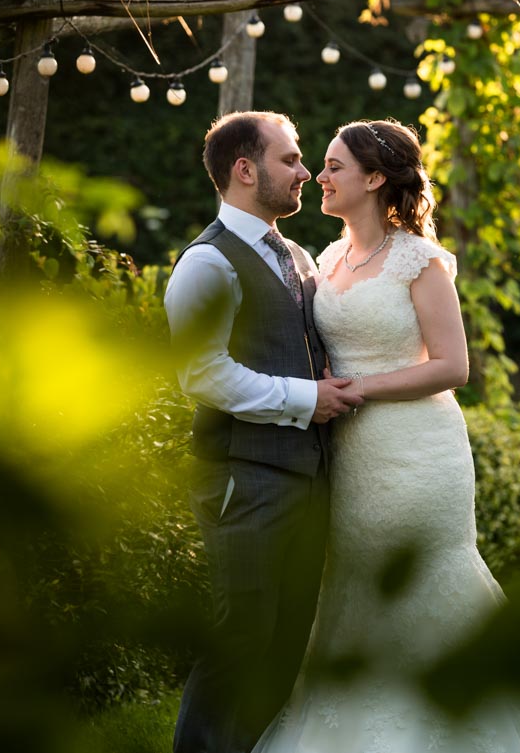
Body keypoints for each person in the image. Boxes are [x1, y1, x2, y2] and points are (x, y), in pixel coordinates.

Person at [249, 118, 520, 753]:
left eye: (334, 166)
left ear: (374, 179)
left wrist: (360, 389)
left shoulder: (419, 260)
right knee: (352, 584)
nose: (321, 176)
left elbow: (453, 366)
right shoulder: (326, 257)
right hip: (349, 455)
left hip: (417, 451)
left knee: (430, 580)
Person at [163, 111, 363, 753]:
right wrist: (308, 397)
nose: (305, 172)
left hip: (308, 479)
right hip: (243, 480)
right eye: (290, 160)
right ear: (244, 171)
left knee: (285, 646)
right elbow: (201, 374)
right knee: (240, 639)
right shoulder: (206, 264)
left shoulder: (298, 256)